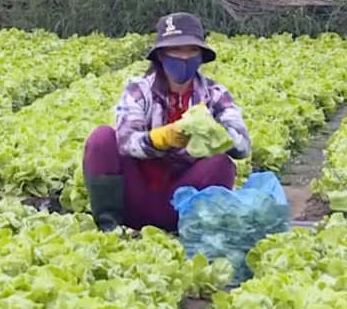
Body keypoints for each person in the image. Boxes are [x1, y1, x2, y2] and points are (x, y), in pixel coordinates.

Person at [83, 12, 251, 232]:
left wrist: (215, 132)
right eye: (176, 50)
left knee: (221, 163)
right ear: (161, 55)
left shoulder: (215, 94)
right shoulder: (139, 90)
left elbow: (243, 147)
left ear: (201, 55)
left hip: (182, 199)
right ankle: (110, 227)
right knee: (101, 138)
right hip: (137, 194)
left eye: (191, 50)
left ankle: (195, 230)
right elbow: (125, 141)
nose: (183, 57)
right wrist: (160, 138)